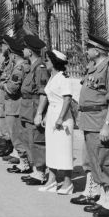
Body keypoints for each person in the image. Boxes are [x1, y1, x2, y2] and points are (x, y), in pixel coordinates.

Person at [77, 35, 109, 217]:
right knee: (95, 161)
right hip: (89, 120)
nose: (87, 51)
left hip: (100, 120)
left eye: (89, 48)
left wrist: (107, 125)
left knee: (107, 161)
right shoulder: (94, 68)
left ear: (97, 50)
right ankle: (103, 198)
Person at [35, 49, 74, 194]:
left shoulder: (63, 78)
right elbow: (50, 98)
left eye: (48, 60)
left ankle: (68, 184)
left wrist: (60, 118)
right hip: (52, 114)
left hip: (62, 117)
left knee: (64, 150)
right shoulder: (52, 77)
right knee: (51, 149)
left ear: (55, 62)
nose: (45, 63)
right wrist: (46, 116)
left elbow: (67, 99)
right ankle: (52, 181)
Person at [19, 34, 49, 186]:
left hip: (34, 108)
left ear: (30, 51)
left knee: (37, 141)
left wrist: (39, 113)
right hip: (26, 109)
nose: (22, 50)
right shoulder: (32, 67)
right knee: (28, 140)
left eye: (24, 48)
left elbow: (43, 93)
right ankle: (35, 170)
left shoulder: (40, 68)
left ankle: (41, 172)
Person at [3, 36, 32, 174]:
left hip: (14, 105)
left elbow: (12, 89)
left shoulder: (19, 68)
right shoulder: (23, 66)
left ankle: (24, 163)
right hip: (17, 105)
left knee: (16, 135)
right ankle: (24, 162)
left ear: (13, 55)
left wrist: (4, 86)